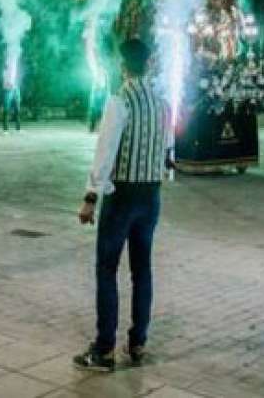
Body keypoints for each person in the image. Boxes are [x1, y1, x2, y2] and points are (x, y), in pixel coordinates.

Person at [74, 39, 174, 372]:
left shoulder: (120, 102)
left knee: (107, 268)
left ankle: (104, 349)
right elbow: (168, 149)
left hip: (122, 196)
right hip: (151, 195)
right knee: (141, 269)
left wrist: (91, 196)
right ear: (149, 62)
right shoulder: (162, 103)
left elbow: (105, 152)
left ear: (123, 65)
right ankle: (138, 342)